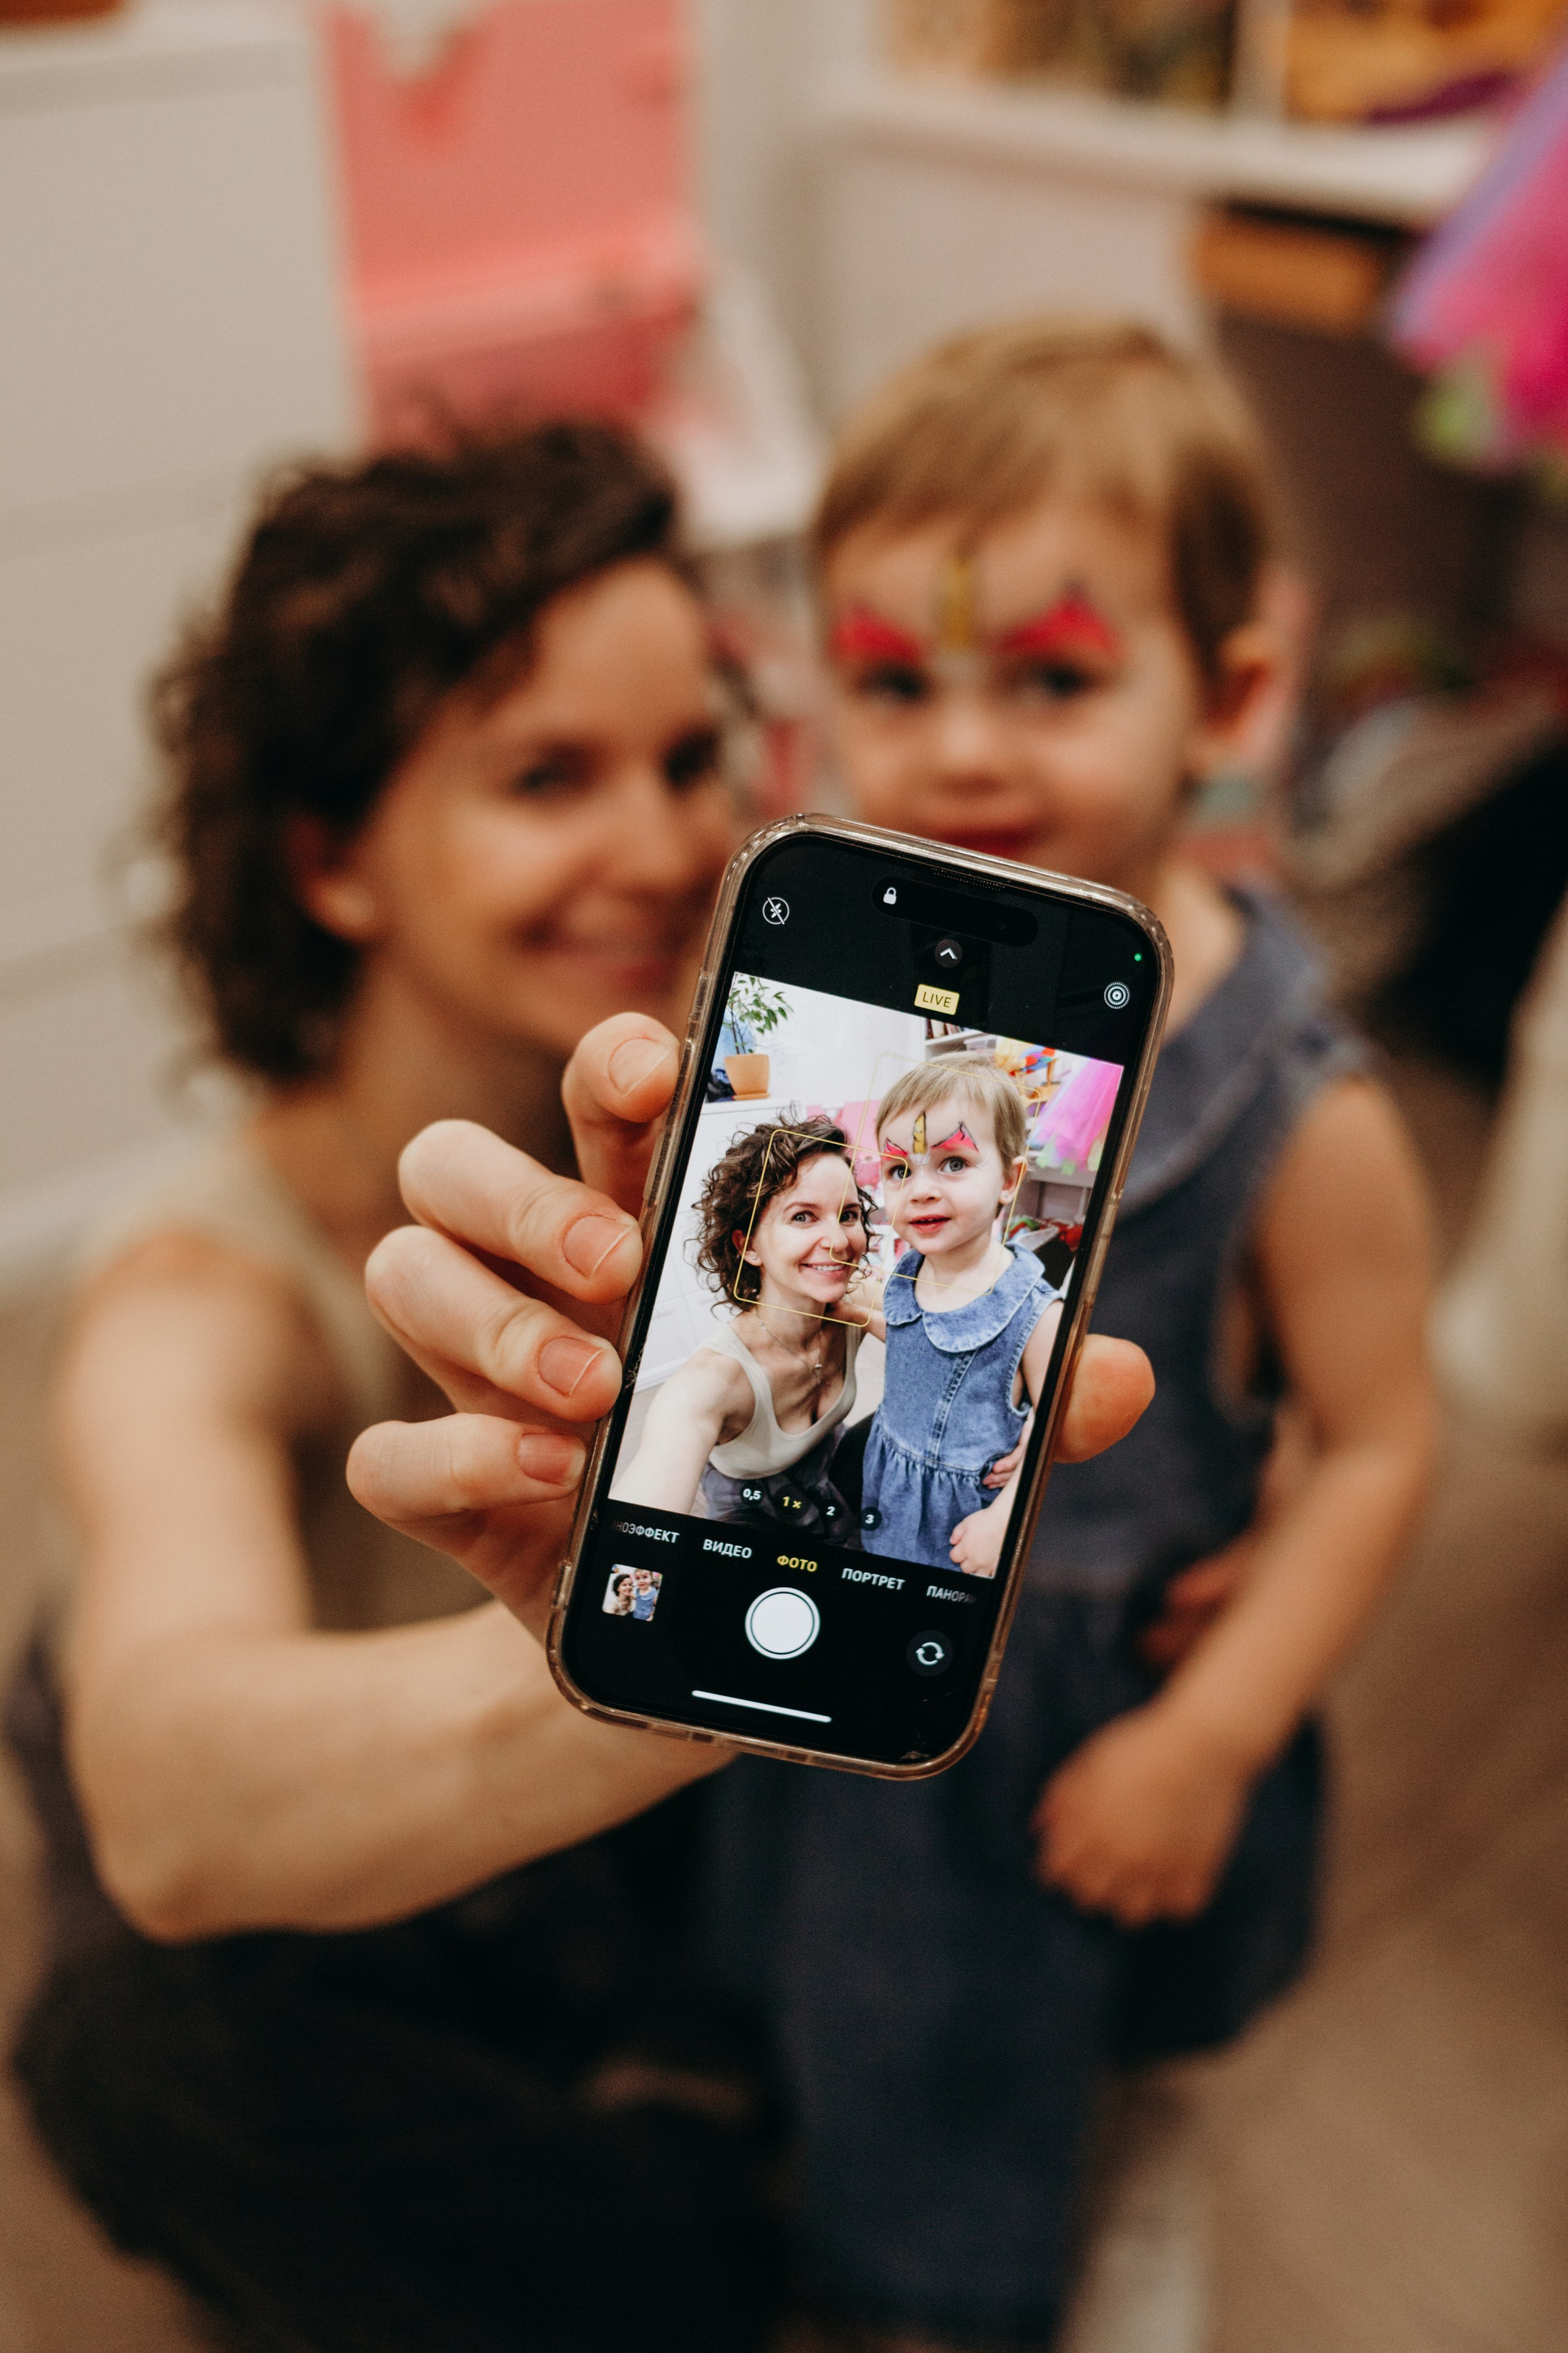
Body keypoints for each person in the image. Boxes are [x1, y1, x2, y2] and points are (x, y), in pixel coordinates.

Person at [695, 318, 1438, 2351]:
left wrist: (1215, 1729)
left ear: (1237, 690)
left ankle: (1107, 2203)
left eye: (1052, 677)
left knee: (1052, 2067)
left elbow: (1382, 1441)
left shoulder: (1301, 1109)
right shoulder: (851, 1007)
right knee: (850, 2023)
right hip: (842, 1652)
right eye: (893, 679)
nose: (960, 749)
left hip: (1088, 1727)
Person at [6, 421, 777, 2353]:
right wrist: (648, 1648)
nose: (672, 842)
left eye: (692, 759)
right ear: (334, 858)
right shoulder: (199, 1290)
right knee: (126, 2033)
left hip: (601, 1863)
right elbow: (171, 1797)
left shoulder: (724, 1152)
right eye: (547, 776)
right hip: (373, 1898)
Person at [611, 1114, 872, 1534]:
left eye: (849, 1214)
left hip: (827, 1458)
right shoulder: (712, 1380)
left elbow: (955, 1335)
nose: (840, 1240)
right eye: (803, 1216)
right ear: (748, 1244)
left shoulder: (855, 1305)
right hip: (752, 1501)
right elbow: (643, 1505)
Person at [858, 1059, 1060, 1577]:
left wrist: (1005, 1517)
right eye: (900, 1170)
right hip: (889, 1478)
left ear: (1009, 1179)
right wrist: (858, 1315)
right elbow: (919, 1339)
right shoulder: (908, 1270)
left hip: (961, 1521)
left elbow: (1062, 1413)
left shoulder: (1034, 1312)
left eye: (953, 1163)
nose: (920, 1189)